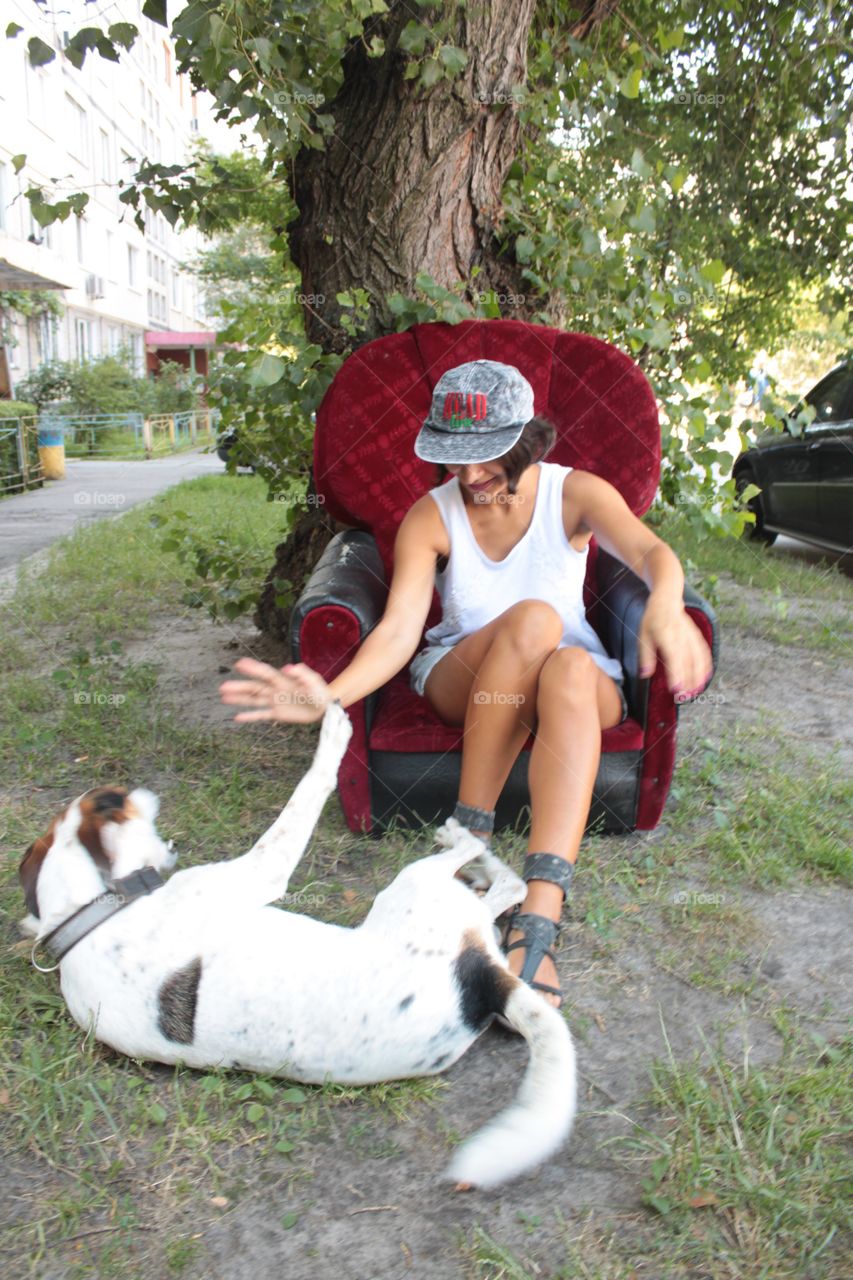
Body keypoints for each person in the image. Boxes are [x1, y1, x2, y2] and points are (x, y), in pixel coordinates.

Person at [220, 360, 712, 1010]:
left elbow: (653, 554)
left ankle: (539, 909)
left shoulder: (575, 494)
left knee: (565, 661)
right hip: (466, 674)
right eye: (456, 460)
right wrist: (328, 695)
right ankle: (469, 846)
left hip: (567, 684)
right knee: (534, 621)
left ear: (527, 443)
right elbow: (397, 633)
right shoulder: (433, 514)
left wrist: (665, 603)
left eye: (489, 458)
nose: (473, 476)